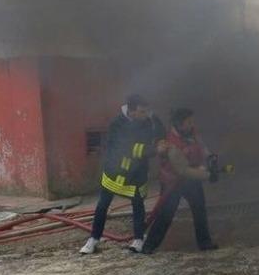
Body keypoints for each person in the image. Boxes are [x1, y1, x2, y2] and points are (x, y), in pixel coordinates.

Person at [80, 94, 165, 254]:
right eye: (142, 112)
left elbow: (159, 128)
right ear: (131, 111)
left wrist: (161, 139)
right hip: (115, 171)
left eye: (147, 111)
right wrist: (153, 150)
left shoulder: (147, 120)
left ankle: (139, 239)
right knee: (103, 205)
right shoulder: (117, 124)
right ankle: (93, 239)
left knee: (138, 204)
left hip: (137, 172)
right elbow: (126, 148)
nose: (145, 115)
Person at [142, 108, 218, 253]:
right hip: (172, 182)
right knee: (166, 214)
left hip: (192, 179)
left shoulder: (192, 132)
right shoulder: (171, 143)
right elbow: (183, 170)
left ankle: (205, 243)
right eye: (188, 122)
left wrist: (210, 158)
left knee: (199, 210)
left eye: (192, 121)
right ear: (179, 124)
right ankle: (149, 246)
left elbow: (202, 146)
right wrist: (208, 175)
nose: (192, 124)